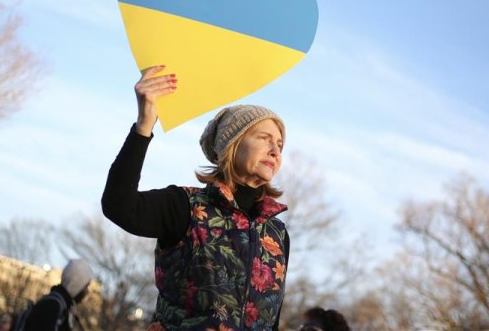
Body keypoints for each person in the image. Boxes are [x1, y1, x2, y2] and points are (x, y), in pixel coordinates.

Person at [102, 66, 290, 330]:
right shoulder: (186, 206)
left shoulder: (277, 233)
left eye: (280, 145)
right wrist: (144, 125)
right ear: (232, 145)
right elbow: (118, 206)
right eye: (264, 138)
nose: (275, 151)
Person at [22, 259, 92, 331]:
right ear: (77, 283)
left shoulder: (64, 308)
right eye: (86, 286)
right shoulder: (52, 306)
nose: (87, 291)